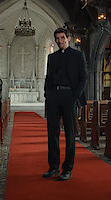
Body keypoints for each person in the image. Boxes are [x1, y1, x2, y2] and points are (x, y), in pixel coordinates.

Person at [43, 27, 87, 181]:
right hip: (54, 97)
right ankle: (54, 167)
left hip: (69, 96)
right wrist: (48, 96)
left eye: (62, 37)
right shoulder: (52, 57)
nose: (59, 41)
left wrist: (74, 96)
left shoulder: (77, 55)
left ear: (68, 38)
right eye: (57, 38)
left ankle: (67, 169)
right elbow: (48, 78)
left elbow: (83, 78)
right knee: (52, 133)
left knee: (70, 134)